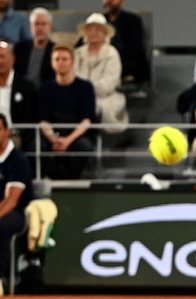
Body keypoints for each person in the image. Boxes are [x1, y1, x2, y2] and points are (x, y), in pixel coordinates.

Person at [36, 45, 97, 180]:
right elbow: (43, 120)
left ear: (72, 62)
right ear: (52, 62)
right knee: (36, 146)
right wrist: (54, 139)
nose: (61, 63)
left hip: (76, 132)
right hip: (52, 131)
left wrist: (67, 140)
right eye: (57, 59)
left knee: (83, 146)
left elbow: (87, 120)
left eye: (64, 59)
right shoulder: (44, 89)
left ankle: (73, 180)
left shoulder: (85, 87)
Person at [74, 13, 127, 134]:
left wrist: (85, 88)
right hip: (78, 95)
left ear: (105, 33)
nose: (93, 33)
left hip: (105, 97)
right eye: (90, 29)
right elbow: (73, 77)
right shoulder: (77, 53)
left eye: (97, 30)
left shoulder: (112, 54)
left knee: (93, 108)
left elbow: (108, 85)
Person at [0, 112, 31, 295]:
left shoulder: (18, 159)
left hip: (16, 213)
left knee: (1, 226)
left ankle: (0, 278)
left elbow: (11, 201)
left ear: (7, 132)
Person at [0, 40, 36, 152]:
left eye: (2, 57)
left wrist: (11, 132)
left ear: (12, 59)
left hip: (16, 135)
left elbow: (31, 117)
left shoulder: (26, 87)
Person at [103, 0, 150, 86]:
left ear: (122, 2)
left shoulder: (133, 20)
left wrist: (112, 55)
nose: (109, 1)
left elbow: (135, 47)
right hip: (102, 59)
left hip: (126, 60)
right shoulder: (99, 21)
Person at [13, 7, 55, 87]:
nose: (40, 28)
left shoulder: (55, 50)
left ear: (50, 26)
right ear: (30, 27)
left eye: (43, 24)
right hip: (22, 93)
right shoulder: (19, 48)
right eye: (36, 24)